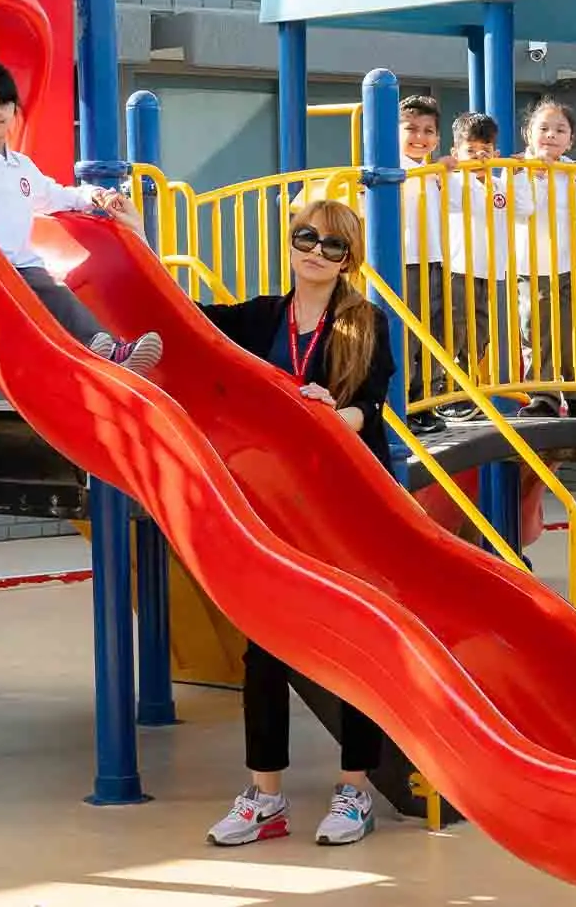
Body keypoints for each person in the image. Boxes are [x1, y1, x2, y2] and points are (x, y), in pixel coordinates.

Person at [200, 198, 391, 848]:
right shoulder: (260, 317)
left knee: (354, 644)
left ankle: (354, 790)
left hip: (345, 507)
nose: (314, 250)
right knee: (264, 646)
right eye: (304, 237)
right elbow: (178, 317)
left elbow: (371, 405)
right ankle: (265, 798)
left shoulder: (365, 323)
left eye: (331, 245)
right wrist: (137, 239)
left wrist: (330, 415)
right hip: (273, 504)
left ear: (348, 259)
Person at [0, 60, 160, 372]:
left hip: (23, 269)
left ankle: (105, 352)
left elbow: (55, 195)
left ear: (15, 110)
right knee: (49, 290)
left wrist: (93, 195)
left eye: (4, 102)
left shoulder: (21, 166)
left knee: (51, 287)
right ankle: (105, 349)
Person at [439, 111, 532, 419]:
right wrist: (446, 172)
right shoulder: (454, 182)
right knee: (456, 330)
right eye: (470, 151)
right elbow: (450, 201)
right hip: (457, 266)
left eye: (485, 151)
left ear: (496, 153)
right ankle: (448, 392)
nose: (479, 158)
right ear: (456, 154)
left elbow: (524, 209)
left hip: (489, 269)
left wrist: (514, 174)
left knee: (480, 333)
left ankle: (465, 389)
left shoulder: (497, 182)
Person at [513, 98, 576, 417]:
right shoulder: (520, 170)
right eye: (544, 128)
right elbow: (524, 208)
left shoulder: (571, 171)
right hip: (534, 263)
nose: (551, 135)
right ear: (529, 134)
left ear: (570, 139)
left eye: (560, 130)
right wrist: (537, 176)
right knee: (537, 327)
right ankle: (544, 393)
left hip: (573, 260)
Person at [397, 94, 448, 435]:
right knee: (409, 335)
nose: (420, 136)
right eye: (411, 128)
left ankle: (427, 400)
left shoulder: (434, 172)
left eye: (428, 130)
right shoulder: (394, 167)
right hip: (406, 259)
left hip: (435, 258)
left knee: (434, 332)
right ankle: (407, 404)